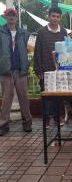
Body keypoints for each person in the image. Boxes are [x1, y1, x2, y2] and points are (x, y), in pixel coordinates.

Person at [0, 8, 32, 136]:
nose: (11, 17)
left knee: (24, 97)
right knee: (7, 98)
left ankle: (27, 123)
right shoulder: (0, 31)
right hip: (6, 71)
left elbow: (31, 46)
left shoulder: (24, 33)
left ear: (17, 17)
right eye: (9, 15)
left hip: (21, 70)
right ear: (5, 17)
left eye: (13, 15)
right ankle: (3, 124)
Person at [34, 7, 67, 128]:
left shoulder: (63, 32)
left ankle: (58, 117)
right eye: (53, 16)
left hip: (60, 70)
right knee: (46, 96)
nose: (55, 18)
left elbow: (66, 51)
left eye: (57, 16)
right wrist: (38, 70)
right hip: (45, 69)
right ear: (49, 17)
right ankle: (46, 119)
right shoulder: (42, 32)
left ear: (60, 18)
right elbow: (37, 51)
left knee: (60, 95)